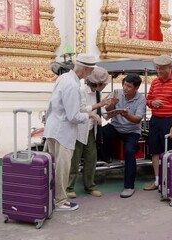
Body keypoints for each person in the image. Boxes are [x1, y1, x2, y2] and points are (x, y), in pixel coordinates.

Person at [43, 53, 102, 211]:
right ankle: (60, 201)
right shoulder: (72, 85)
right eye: (90, 70)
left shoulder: (64, 78)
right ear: (85, 70)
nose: (91, 74)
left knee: (54, 167)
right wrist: (90, 115)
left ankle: (52, 198)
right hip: (63, 132)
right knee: (62, 168)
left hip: (54, 128)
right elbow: (73, 116)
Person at [143, 55, 172, 191]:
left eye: (162, 69)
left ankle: (170, 181)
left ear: (170, 67)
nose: (159, 71)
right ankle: (157, 181)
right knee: (155, 151)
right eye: (157, 69)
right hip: (156, 120)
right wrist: (152, 102)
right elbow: (148, 100)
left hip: (170, 120)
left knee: (170, 152)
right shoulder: (155, 82)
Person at [66, 67, 109, 199]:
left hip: (91, 130)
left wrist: (111, 109)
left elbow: (100, 112)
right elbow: (81, 109)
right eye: (104, 83)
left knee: (91, 159)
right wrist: (99, 105)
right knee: (74, 160)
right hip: (78, 130)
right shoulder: (81, 90)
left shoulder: (97, 93)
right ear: (98, 84)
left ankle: (90, 186)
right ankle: (69, 188)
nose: (105, 85)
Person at [101, 74, 146, 198]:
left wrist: (126, 115)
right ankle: (106, 157)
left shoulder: (141, 99)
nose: (125, 88)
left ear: (136, 88)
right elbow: (106, 114)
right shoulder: (116, 93)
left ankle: (129, 186)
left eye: (129, 86)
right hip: (116, 126)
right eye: (125, 84)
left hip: (132, 131)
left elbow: (137, 119)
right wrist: (112, 104)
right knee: (101, 132)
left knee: (130, 151)